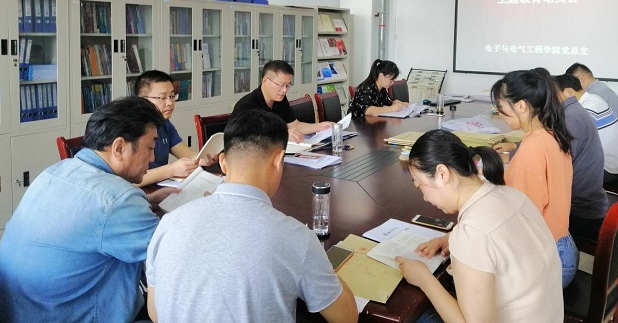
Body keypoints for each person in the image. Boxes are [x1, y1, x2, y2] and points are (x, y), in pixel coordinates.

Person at [146, 109, 358, 323]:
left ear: (223, 162)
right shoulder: (296, 238)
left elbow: (155, 313)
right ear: (279, 160)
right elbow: (347, 317)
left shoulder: (169, 222)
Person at [0, 96, 178, 323]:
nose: (153, 158)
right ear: (119, 148)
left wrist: (146, 200)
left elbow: (89, 215)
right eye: (150, 147)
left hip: (23, 310)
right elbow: (175, 254)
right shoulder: (118, 200)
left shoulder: (56, 170)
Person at [396, 130, 563, 323]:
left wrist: (424, 279)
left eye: (420, 186)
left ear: (442, 174)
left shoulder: (471, 234)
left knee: (416, 317)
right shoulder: (512, 195)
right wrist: (449, 238)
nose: (424, 198)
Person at [491, 68, 578, 288]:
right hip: (561, 244)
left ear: (521, 106)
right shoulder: (551, 133)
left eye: (501, 109)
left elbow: (521, 224)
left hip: (545, 259)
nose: (499, 114)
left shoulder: (531, 151)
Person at [553, 74, 609, 242]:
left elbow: (557, 167)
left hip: (582, 213)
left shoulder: (570, 117)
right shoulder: (574, 109)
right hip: (592, 201)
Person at [135, 70, 215, 186]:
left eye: (172, 96)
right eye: (162, 97)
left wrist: (203, 159)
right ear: (142, 100)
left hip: (159, 188)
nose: (170, 103)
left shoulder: (165, 124)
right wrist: (171, 169)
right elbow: (129, 181)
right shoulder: (131, 129)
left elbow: (186, 153)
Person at [231, 60, 333, 143]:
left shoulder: (280, 99)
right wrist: (283, 135)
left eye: (288, 85)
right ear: (265, 81)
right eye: (280, 85)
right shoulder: (247, 106)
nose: (284, 90)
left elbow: (295, 125)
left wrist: (320, 126)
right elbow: (248, 139)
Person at [556, 73, 618, 184]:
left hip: (608, 170)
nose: (555, 100)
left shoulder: (586, 108)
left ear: (568, 92)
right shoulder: (594, 98)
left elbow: (572, 144)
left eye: (556, 95)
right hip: (615, 165)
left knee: (556, 171)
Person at [566, 63, 618, 134]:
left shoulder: (593, 94)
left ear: (580, 79)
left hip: (610, 136)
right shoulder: (599, 88)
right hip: (617, 134)